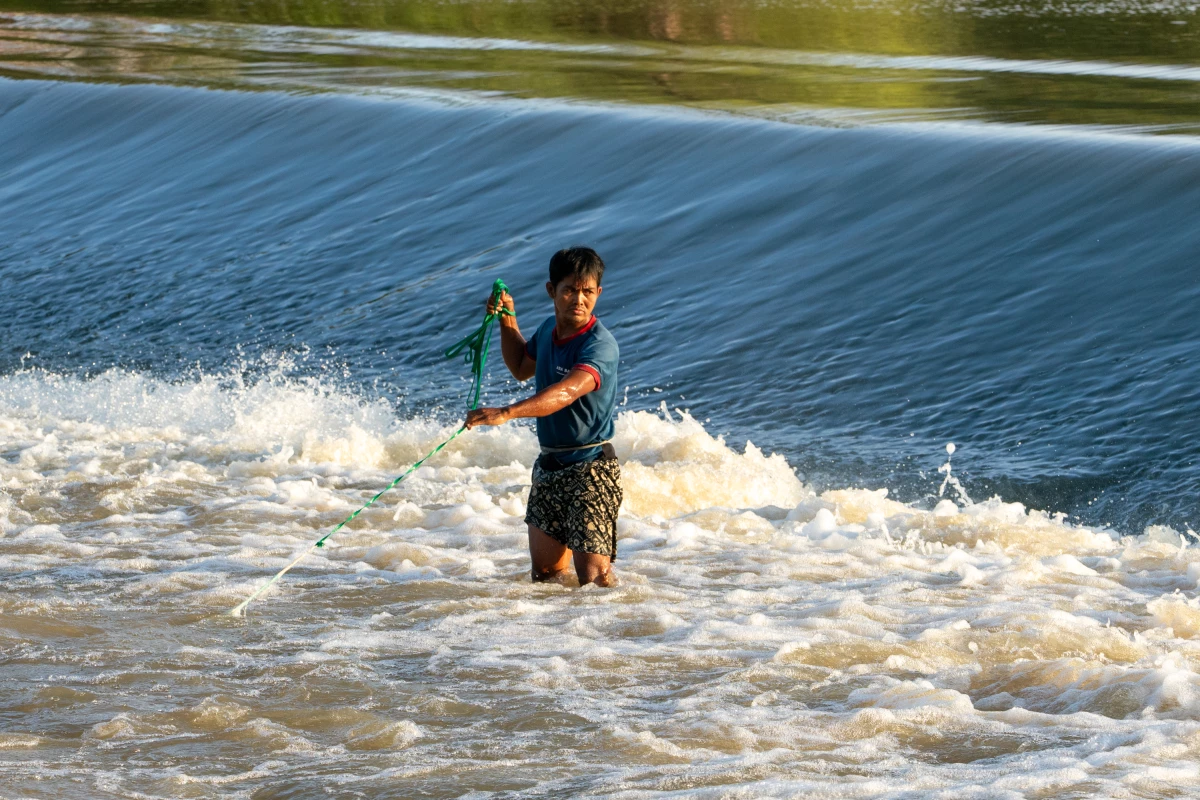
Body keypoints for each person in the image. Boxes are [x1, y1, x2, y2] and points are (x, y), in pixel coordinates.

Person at [465, 247, 622, 586]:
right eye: (569, 290)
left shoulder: (600, 345)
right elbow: (521, 366)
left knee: (594, 579)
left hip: (591, 468)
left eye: (587, 291)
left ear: (598, 293)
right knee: (546, 577)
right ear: (552, 290)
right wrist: (508, 318)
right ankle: (562, 637)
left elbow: (566, 392)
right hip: (550, 466)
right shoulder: (550, 328)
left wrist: (506, 413)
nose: (578, 299)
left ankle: (625, 633)